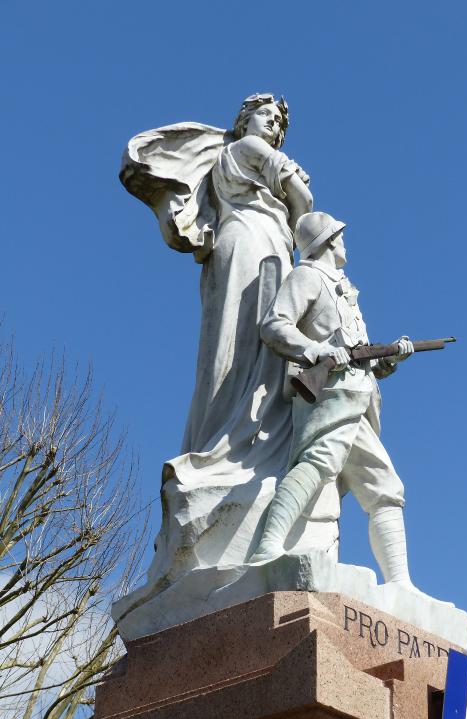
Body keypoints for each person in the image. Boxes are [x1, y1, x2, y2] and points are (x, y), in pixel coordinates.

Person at [116, 95, 315, 624]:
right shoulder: (247, 148)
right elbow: (302, 197)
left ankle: (227, 446)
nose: (273, 127)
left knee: (237, 358)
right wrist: (317, 245)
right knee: (248, 354)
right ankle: (232, 451)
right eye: (266, 117)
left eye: (279, 123)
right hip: (255, 244)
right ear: (243, 122)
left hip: (253, 243)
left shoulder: (240, 155)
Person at [250, 211, 422, 594]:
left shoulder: (344, 285)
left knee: (385, 486)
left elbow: (363, 357)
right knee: (318, 463)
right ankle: (267, 547)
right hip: (329, 392)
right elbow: (275, 325)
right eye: (338, 235)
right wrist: (316, 350)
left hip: (358, 395)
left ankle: (400, 583)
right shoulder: (308, 276)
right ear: (327, 240)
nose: (344, 241)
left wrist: (391, 358)